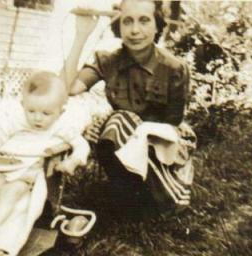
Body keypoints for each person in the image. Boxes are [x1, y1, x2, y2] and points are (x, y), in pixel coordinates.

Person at [63, 0, 196, 208]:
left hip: (163, 146)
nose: (135, 30)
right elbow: (68, 89)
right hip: (124, 140)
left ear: (157, 25)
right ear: (119, 26)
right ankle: (127, 193)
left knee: (119, 121)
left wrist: (136, 131)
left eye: (144, 21)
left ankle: (163, 190)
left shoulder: (174, 68)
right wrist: (81, 35)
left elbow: (173, 124)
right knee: (109, 124)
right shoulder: (107, 60)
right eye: (127, 21)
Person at [0, 71, 91, 256]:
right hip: (0, 166)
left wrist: (73, 161)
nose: (37, 118)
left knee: (14, 190)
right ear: (23, 105)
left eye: (46, 113)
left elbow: (81, 144)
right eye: (31, 111)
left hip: (25, 173)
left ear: (60, 112)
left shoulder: (61, 126)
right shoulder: (16, 120)